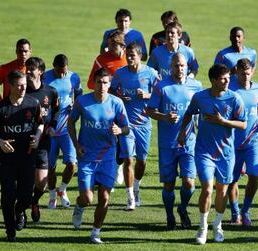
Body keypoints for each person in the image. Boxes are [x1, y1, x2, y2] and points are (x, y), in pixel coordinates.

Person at [178, 64, 247, 244]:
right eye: (223, 78)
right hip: (204, 151)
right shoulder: (200, 97)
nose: (227, 81)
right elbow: (189, 113)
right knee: (207, 188)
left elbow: (243, 124)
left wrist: (223, 121)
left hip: (226, 153)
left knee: (222, 191)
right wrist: (182, 132)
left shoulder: (234, 98)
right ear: (214, 80)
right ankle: (203, 227)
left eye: (228, 78)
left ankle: (217, 226)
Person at [69, 68, 129, 244]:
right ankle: (79, 205)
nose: (102, 86)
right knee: (88, 197)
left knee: (104, 197)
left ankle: (96, 232)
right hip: (86, 155)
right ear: (93, 82)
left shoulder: (117, 103)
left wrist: (119, 130)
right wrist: (76, 145)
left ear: (110, 84)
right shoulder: (82, 102)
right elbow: (70, 123)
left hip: (108, 156)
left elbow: (127, 128)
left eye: (105, 83)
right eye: (99, 82)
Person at [0, 70, 43, 242]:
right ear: (10, 86)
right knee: (8, 195)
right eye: (19, 85)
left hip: (27, 157)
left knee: (26, 196)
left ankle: (20, 210)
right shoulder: (1, 108)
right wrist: (0, 142)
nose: (23, 88)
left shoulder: (33, 103)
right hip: (7, 160)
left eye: (25, 84)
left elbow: (40, 124)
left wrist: (38, 137)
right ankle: (10, 231)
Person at [147, 53, 202, 230]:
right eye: (177, 65)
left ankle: (183, 208)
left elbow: (202, 110)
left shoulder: (196, 86)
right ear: (171, 66)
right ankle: (170, 215)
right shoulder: (161, 86)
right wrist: (164, 116)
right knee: (169, 185)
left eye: (183, 65)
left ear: (187, 66)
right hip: (167, 143)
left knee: (189, 182)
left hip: (188, 142)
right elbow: (150, 110)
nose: (180, 69)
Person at [110, 42, 159, 210]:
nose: (129, 58)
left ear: (140, 56)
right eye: (127, 55)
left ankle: (136, 188)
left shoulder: (151, 73)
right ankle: (130, 196)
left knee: (142, 161)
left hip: (144, 124)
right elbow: (110, 91)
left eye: (133, 55)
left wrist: (147, 95)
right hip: (126, 125)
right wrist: (120, 99)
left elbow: (162, 93)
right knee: (128, 159)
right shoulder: (120, 74)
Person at [227, 58, 258, 226]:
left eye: (248, 74)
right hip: (234, 143)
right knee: (232, 180)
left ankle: (246, 210)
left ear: (252, 72)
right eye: (242, 74)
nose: (245, 77)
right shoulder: (230, 89)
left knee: (254, 177)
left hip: (254, 142)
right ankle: (235, 212)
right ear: (236, 72)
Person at [23, 57, 60, 223]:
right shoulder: (21, 92)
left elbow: (57, 110)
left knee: (41, 183)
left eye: (32, 69)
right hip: (24, 141)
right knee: (23, 181)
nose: (28, 71)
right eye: (27, 68)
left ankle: (34, 201)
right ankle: (21, 211)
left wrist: (52, 125)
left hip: (44, 142)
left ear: (41, 72)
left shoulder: (50, 92)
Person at [44, 54, 82, 209]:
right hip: (51, 130)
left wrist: (75, 104)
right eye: (59, 71)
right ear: (54, 66)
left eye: (64, 71)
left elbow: (79, 93)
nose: (62, 74)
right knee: (50, 167)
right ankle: (52, 195)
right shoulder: (45, 78)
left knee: (72, 164)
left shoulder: (73, 77)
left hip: (67, 128)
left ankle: (62, 190)